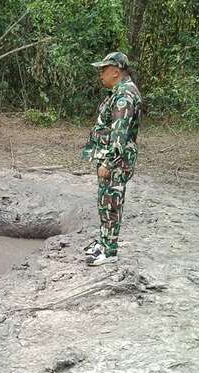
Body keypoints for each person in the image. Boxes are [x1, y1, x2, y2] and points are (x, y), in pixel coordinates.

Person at [81, 52, 143, 266]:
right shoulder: (119, 91)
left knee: (111, 203)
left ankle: (110, 251)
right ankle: (104, 241)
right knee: (105, 201)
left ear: (116, 71)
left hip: (116, 160)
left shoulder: (125, 95)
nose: (100, 74)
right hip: (112, 157)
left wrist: (109, 162)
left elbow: (120, 133)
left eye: (104, 69)